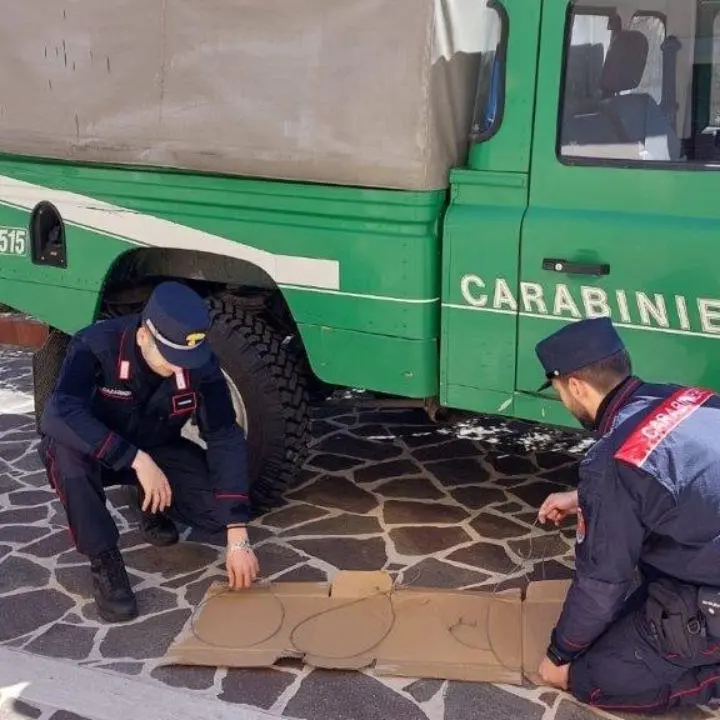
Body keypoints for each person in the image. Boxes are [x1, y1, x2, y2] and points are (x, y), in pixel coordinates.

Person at [37, 281, 260, 623]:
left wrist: (237, 531)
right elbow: (59, 412)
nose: (180, 369)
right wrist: (135, 460)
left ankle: (151, 502)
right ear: (144, 337)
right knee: (68, 460)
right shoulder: (95, 345)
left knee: (217, 512)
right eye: (172, 359)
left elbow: (224, 435)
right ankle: (105, 560)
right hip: (96, 451)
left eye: (188, 360)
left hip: (157, 446)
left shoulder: (198, 363)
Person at [533, 316, 720, 714]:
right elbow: (678, 482)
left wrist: (559, 654)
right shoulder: (682, 398)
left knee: (592, 678)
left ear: (576, 386)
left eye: (559, 391)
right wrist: (585, 496)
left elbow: (602, 584)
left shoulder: (613, 461)